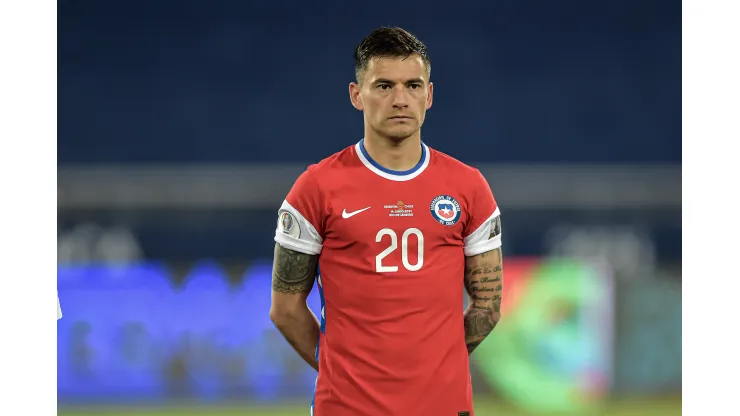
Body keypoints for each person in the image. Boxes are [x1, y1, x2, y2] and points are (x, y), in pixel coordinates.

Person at [269, 27, 504, 416]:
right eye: (383, 86)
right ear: (356, 95)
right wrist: (343, 370)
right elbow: (285, 309)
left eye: (413, 85)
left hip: (443, 406)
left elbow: (488, 305)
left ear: (429, 95)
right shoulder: (316, 187)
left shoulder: (468, 187)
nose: (400, 99)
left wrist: (428, 368)